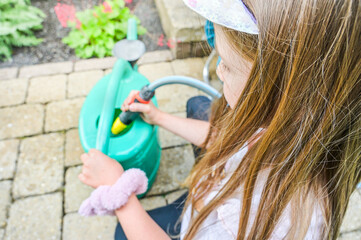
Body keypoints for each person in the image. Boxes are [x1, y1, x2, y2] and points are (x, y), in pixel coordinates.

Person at [78, 0, 361, 239]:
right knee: (196, 104)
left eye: (226, 63)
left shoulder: (247, 221)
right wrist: (158, 117)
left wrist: (120, 194)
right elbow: (227, 142)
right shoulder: (292, 135)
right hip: (209, 199)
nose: (220, 72)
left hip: (204, 215)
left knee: (121, 232)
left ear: (286, 96)